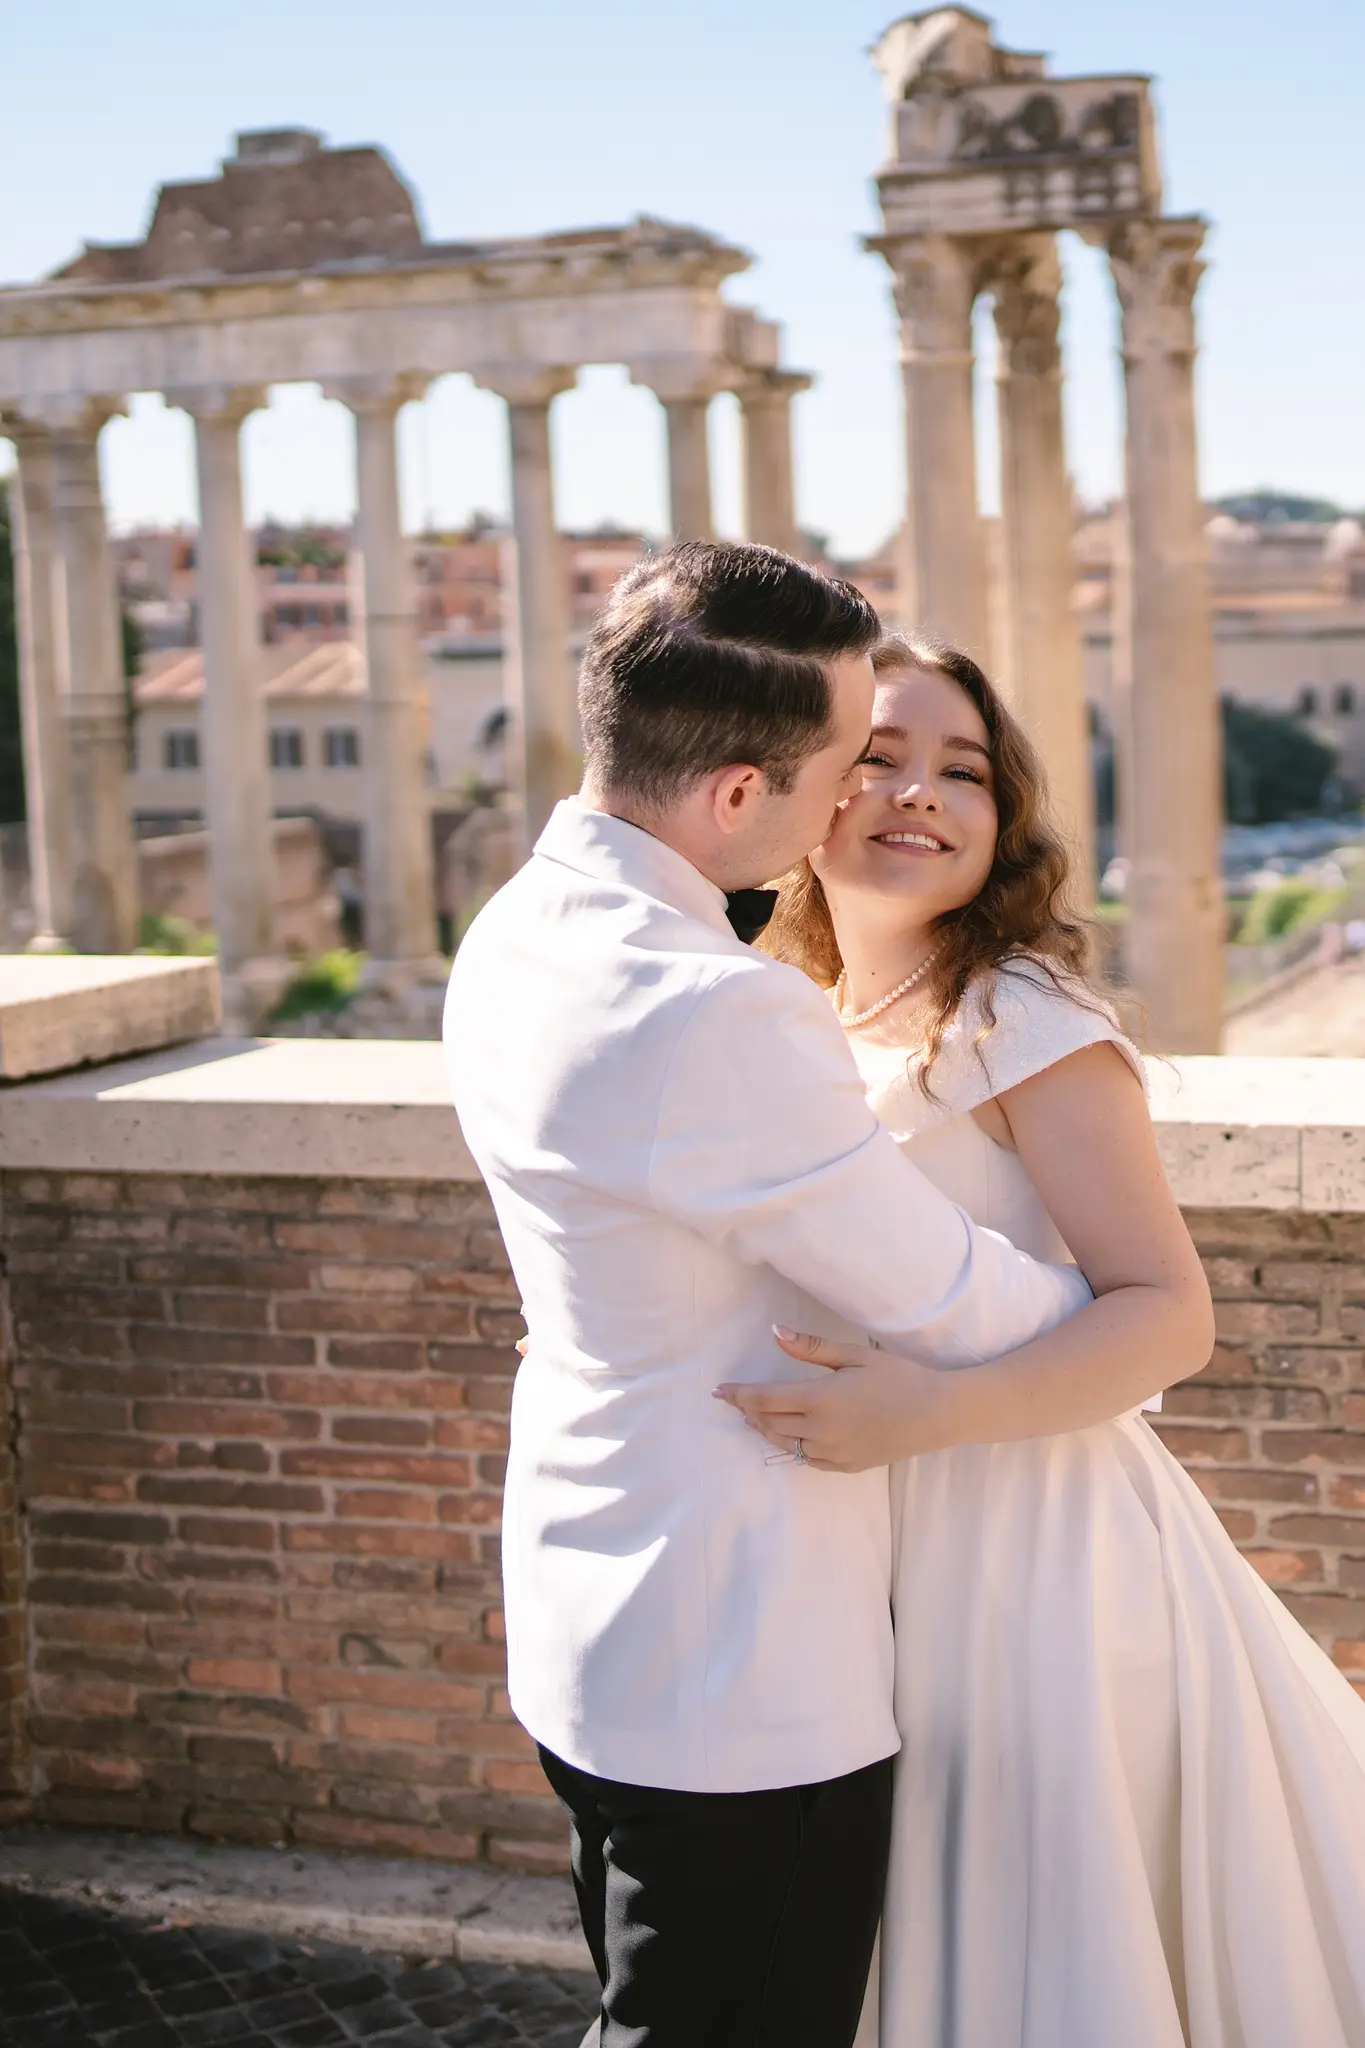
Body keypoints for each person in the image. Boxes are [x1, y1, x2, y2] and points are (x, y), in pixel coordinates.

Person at [443, 543, 1109, 2048]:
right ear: (741, 796)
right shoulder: (715, 1009)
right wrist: (1118, 1329)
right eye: (839, 773)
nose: (861, 809)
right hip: (741, 1665)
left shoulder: (517, 930)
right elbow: (952, 1300)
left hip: (589, 1621)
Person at [726, 631, 1365, 2047]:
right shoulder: (791, 1008)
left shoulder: (1025, 1013)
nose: (921, 793)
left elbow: (1168, 1312)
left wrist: (928, 1418)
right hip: (867, 1553)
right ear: (800, 791)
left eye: (964, 772)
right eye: (878, 757)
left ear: (1001, 825)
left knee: (1045, 1933)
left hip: (1036, 1553)